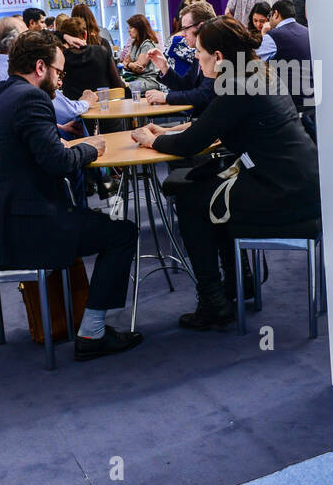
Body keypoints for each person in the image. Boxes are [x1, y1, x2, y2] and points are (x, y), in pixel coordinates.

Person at [0, 30, 144, 360]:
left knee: (99, 225)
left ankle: (89, 326)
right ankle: (92, 332)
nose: (61, 82)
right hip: (19, 226)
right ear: (41, 67)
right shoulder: (31, 98)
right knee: (122, 233)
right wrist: (89, 148)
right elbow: (58, 162)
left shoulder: (0, 93)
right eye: (59, 73)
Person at [132, 17, 321, 328]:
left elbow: (193, 143)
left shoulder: (235, 85)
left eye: (200, 52)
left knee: (192, 200)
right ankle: (239, 283)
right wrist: (167, 132)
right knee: (204, 187)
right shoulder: (255, 73)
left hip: (282, 190)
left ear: (218, 56)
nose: (196, 57)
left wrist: (155, 140)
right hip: (297, 181)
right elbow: (214, 127)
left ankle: (213, 301)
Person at [144, 1, 217, 114]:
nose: (182, 34)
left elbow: (204, 93)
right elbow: (187, 86)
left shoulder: (216, 52)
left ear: (201, 27)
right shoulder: (199, 51)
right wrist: (165, 68)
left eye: (185, 28)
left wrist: (166, 97)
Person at [58, 16, 125, 99]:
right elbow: (117, 83)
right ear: (85, 35)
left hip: (76, 108)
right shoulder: (102, 51)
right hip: (104, 106)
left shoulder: (61, 59)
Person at [120, 14, 164, 94]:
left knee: (125, 90)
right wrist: (130, 65)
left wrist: (128, 64)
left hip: (150, 80)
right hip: (138, 79)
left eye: (131, 28)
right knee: (119, 87)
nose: (128, 30)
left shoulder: (148, 44)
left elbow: (139, 68)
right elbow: (125, 62)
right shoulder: (134, 43)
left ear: (139, 28)